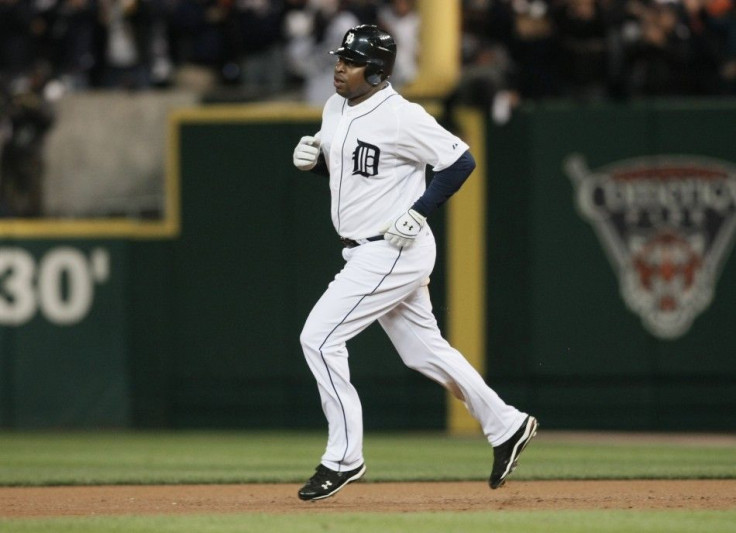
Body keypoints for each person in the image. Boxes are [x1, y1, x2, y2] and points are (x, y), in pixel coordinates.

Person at [291, 24, 538, 502]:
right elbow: (353, 169)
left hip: (392, 247)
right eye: (340, 57)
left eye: (352, 60)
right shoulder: (335, 105)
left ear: (378, 71)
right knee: (423, 350)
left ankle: (344, 458)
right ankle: (507, 425)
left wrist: (419, 212)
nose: (340, 66)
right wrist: (314, 162)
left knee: (319, 338)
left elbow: (460, 161)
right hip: (364, 246)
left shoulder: (402, 116)